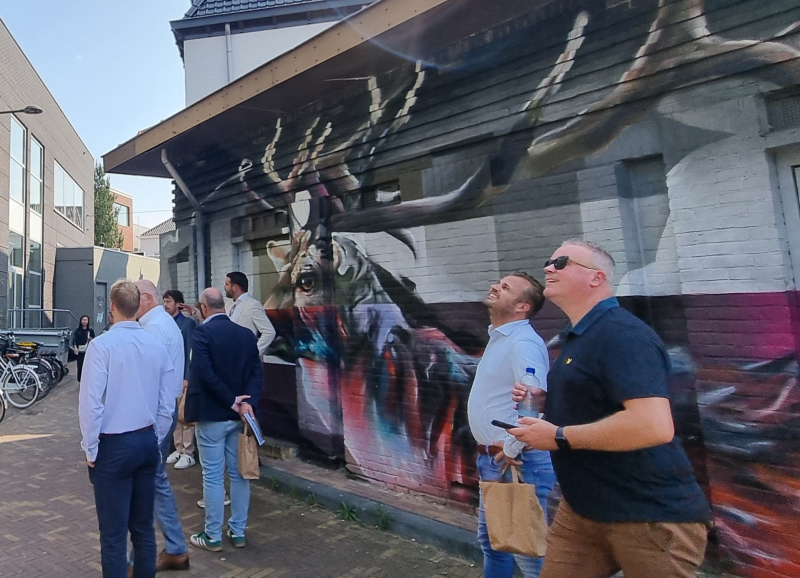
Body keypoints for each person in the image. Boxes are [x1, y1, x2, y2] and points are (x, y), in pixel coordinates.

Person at [509, 239, 711, 578]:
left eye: (561, 263)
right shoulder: (579, 336)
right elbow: (601, 406)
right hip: (583, 513)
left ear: (596, 278)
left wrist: (557, 436)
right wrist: (549, 407)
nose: (548, 268)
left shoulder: (621, 334)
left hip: (647, 515)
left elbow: (653, 425)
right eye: (549, 262)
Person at [78, 280, 176, 578]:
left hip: (114, 446)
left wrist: (90, 447)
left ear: (112, 307)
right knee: (143, 528)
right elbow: (166, 402)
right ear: (138, 306)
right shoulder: (156, 346)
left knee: (113, 535)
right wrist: (155, 437)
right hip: (146, 441)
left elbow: (91, 403)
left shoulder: (101, 346)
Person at [467, 272, 555, 578]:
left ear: (522, 307)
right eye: (498, 283)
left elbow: (533, 398)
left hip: (516, 461)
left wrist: (512, 446)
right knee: (496, 543)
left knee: (526, 550)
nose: (495, 286)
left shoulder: (523, 342)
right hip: (499, 459)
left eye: (505, 288)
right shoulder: (502, 338)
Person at [185, 287, 263, 552]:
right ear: (225, 306)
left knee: (213, 476)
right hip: (240, 418)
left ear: (204, 308)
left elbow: (204, 373)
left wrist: (231, 400)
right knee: (241, 474)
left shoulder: (203, 333)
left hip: (211, 415)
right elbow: (256, 371)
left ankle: (213, 535)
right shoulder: (245, 335)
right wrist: (246, 403)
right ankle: (238, 532)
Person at [133, 280, 190, 573]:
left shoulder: (153, 328)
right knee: (155, 483)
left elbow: (147, 381)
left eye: (133, 296)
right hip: (160, 417)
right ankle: (176, 548)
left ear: (145, 298)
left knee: (141, 485)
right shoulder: (164, 324)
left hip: (153, 420)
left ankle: (136, 560)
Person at [163, 289, 198, 470]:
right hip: (170, 375)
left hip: (183, 376)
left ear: (179, 304)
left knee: (185, 414)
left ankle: (188, 452)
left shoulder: (188, 324)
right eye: (164, 301)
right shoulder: (166, 323)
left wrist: (187, 377)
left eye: (168, 301)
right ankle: (177, 448)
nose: (165, 305)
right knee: (174, 414)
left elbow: (190, 352)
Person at [224, 271, 275, 358]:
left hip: (244, 359)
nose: (224, 287)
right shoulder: (229, 304)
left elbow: (269, 332)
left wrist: (254, 353)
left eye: (226, 284)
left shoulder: (253, 305)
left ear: (235, 287)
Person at [72, 315, 95, 382]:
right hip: (80, 350)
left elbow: (94, 339)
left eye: (86, 320)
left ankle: (87, 379)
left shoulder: (90, 330)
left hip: (88, 350)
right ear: (81, 321)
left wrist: (91, 339)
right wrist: (75, 347)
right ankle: (80, 380)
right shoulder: (77, 330)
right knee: (80, 366)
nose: (85, 321)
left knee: (88, 366)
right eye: (83, 320)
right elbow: (74, 340)